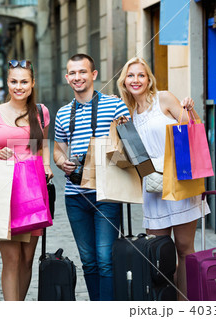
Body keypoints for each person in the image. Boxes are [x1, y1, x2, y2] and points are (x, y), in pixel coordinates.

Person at [116, 57, 210, 300]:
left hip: (179, 180)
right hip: (153, 186)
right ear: (124, 82)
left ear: (149, 80)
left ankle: (184, 304)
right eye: (130, 75)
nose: (135, 80)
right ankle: (162, 303)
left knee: (184, 249)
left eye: (140, 75)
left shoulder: (164, 99)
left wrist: (190, 108)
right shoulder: (128, 113)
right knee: (158, 252)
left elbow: (192, 130)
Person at [53, 53, 130, 301]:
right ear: (67, 78)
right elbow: (58, 148)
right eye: (73, 73)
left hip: (107, 193)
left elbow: (129, 143)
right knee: (89, 262)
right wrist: (60, 162)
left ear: (93, 75)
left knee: (106, 260)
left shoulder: (115, 104)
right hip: (75, 197)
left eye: (83, 72)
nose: (78, 77)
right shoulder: (64, 113)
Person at [0, 59, 53, 301]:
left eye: (24, 81)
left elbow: (39, 148)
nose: (18, 86)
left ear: (32, 84)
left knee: (27, 258)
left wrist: (47, 166)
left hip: (32, 190)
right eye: (13, 81)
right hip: (4, 191)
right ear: (7, 83)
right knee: (11, 259)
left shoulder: (41, 112)